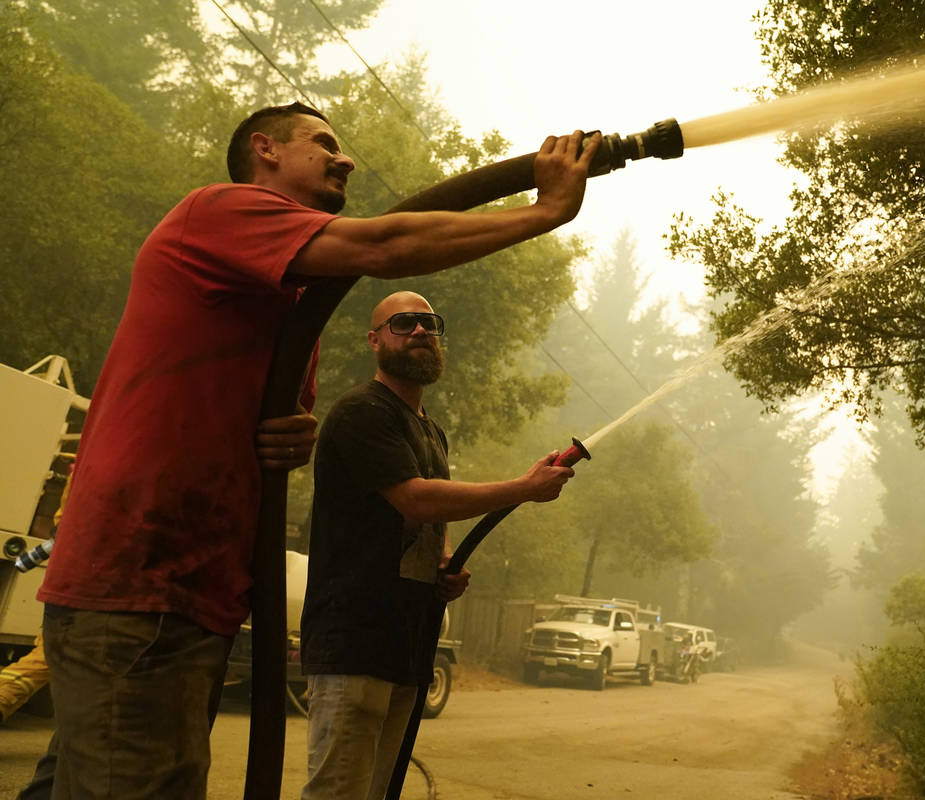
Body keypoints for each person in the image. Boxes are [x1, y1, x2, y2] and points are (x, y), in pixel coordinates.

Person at [33, 101, 599, 799]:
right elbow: (383, 247)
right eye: (323, 142)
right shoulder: (218, 212)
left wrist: (287, 433)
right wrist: (543, 213)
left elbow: (246, 425)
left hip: (190, 590)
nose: (346, 157)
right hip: (140, 581)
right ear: (265, 150)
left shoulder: (284, 310)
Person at [299, 290, 574, 800]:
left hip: (408, 643)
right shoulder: (362, 411)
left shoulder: (432, 433)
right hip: (353, 643)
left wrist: (443, 564)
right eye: (404, 323)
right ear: (374, 340)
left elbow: (429, 519)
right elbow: (416, 499)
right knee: (338, 793)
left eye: (429, 323)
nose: (421, 331)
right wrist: (521, 488)